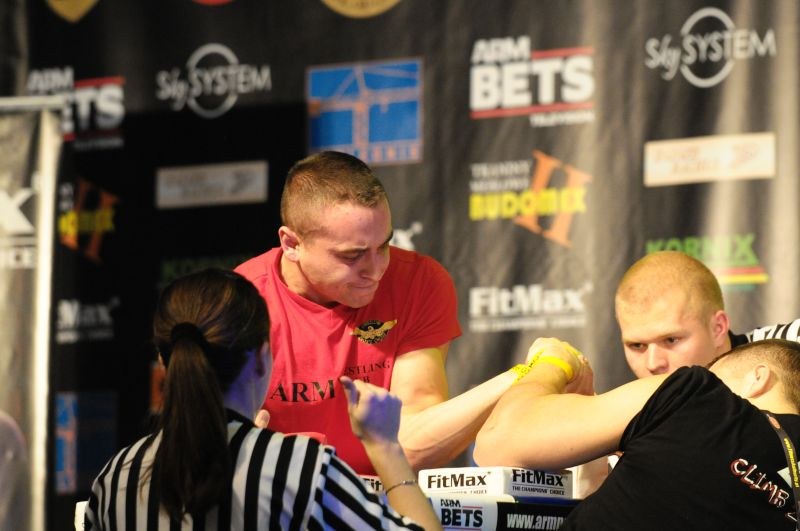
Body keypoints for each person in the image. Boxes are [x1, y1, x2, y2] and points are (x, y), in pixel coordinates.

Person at [235, 150, 544, 474]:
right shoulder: (242, 302)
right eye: (352, 256)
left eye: (383, 245)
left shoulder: (418, 281)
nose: (376, 269)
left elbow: (412, 442)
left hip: (387, 497)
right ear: (291, 244)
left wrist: (522, 374)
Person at [83, 268, 442, 530]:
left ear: (165, 363)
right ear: (262, 357)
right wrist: (385, 447)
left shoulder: (117, 478)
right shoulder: (299, 468)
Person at [474, 337, 800, 529]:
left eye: (715, 374)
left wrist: (553, 362)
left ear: (758, 378)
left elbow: (497, 442)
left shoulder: (698, 394)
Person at [615, 250, 800, 378]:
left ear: (717, 328)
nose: (653, 364)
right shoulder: (633, 413)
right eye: (637, 345)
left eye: (671, 340)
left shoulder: (790, 348)